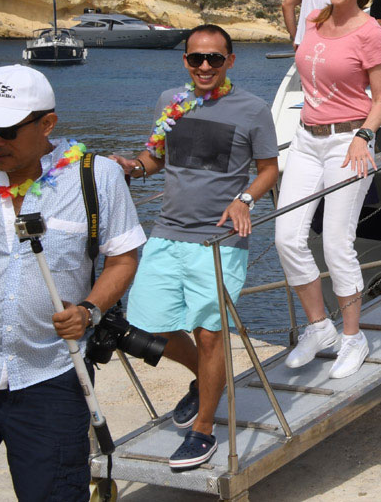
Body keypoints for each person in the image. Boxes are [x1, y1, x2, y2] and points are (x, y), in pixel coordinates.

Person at [114, 25, 278, 470]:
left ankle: (204, 430)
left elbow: (268, 169)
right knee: (147, 326)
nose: (205, 66)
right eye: (196, 58)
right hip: (166, 232)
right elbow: (158, 157)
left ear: (230, 61)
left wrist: (245, 199)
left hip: (219, 240)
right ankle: (200, 383)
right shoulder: (170, 101)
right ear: (185, 60)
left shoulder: (254, 108)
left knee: (209, 335)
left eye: (215, 59)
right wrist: (132, 166)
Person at [0, 66, 144, 498]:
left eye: (8, 130)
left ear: (47, 123)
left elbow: (124, 257)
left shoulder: (97, 175)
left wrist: (89, 310)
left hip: (50, 378)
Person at [275, 0, 381, 380]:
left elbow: (380, 100)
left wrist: (365, 136)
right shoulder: (313, 20)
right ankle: (319, 327)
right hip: (306, 139)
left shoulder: (370, 33)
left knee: (336, 245)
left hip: (348, 142)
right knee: (287, 238)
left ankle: (352, 337)